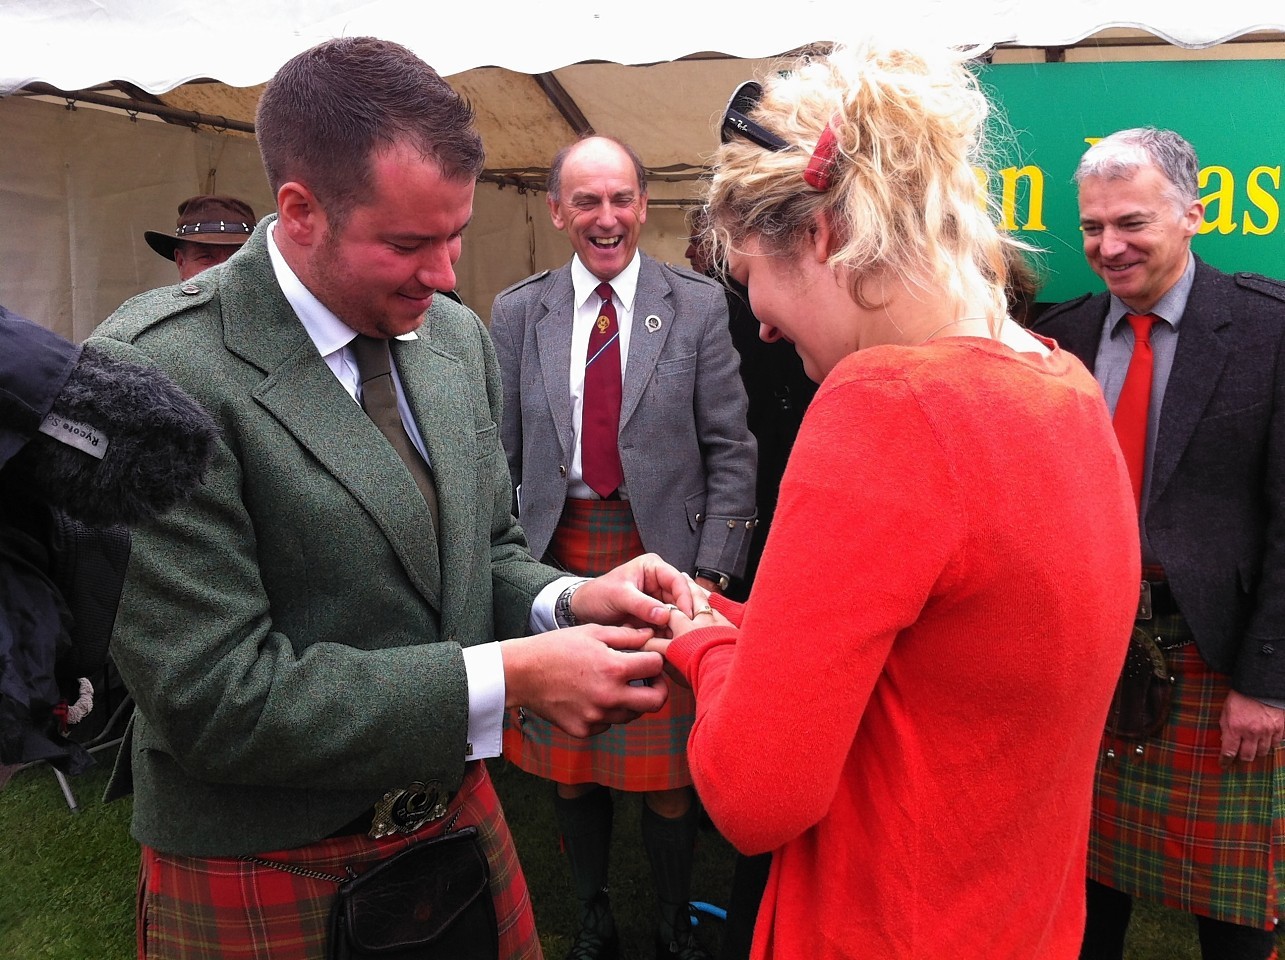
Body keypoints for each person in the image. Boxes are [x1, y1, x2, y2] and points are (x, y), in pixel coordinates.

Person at [86, 37, 698, 960]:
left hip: (456, 824)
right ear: (299, 211)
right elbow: (213, 700)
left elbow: (482, 552)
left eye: (454, 236)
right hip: (265, 861)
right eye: (408, 243)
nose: (447, 274)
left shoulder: (451, 340)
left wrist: (565, 599)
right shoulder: (156, 371)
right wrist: (515, 676)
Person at [645, 41, 1141, 959]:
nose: (755, 318)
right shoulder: (1065, 387)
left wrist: (701, 643)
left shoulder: (887, 405)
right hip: (1019, 926)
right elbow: (928, 669)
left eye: (752, 274)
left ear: (822, 235)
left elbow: (753, 796)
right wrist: (719, 607)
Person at [490, 135, 756, 960]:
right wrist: (505, 568)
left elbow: (731, 451)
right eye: (587, 202)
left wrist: (707, 576)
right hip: (557, 557)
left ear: (643, 206)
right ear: (558, 211)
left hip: (665, 561)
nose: (605, 219)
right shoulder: (514, 310)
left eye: (620, 200)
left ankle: (674, 919)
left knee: (669, 774)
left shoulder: (699, 304)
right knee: (569, 761)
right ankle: (593, 914)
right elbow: (496, 449)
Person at [1034, 128, 1285, 960]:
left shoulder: (1267, 330)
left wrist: (1267, 680)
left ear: (1193, 213)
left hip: (1215, 657)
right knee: (1078, 897)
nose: (1108, 247)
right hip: (1085, 652)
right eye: (1092, 227)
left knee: (1236, 917)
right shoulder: (1054, 336)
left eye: (1131, 223)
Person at [143, 194, 257, 280]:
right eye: (207, 257)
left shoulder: (273, 310)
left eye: (235, 258)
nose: (222, 270)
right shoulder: (153, 310)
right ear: (181, 262)